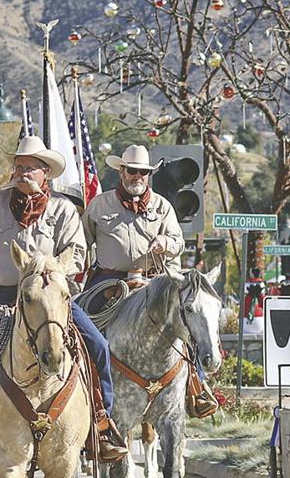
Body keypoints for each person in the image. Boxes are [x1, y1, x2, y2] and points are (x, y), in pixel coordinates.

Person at [0, 135, 128, 468]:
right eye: (18, 166)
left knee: (97, 346)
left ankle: (101, 424)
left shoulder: (64, 210)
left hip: (50, 297)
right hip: (1, 295)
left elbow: (78, 253)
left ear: (45, 173)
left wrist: (56, 270)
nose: (22, 171)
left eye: (29, 167)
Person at [82, 145, 216, 418]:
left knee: (186, 326)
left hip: (154, 284)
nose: (137, 177)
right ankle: (86, 392)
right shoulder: (100, 205)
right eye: (132, 171)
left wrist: (164, 242)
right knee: (83, 330)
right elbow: (81, 242)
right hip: (109, 285)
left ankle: (197, 388)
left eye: (143, 172)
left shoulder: (162, 206)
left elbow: (178, 242)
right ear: (122, 171)